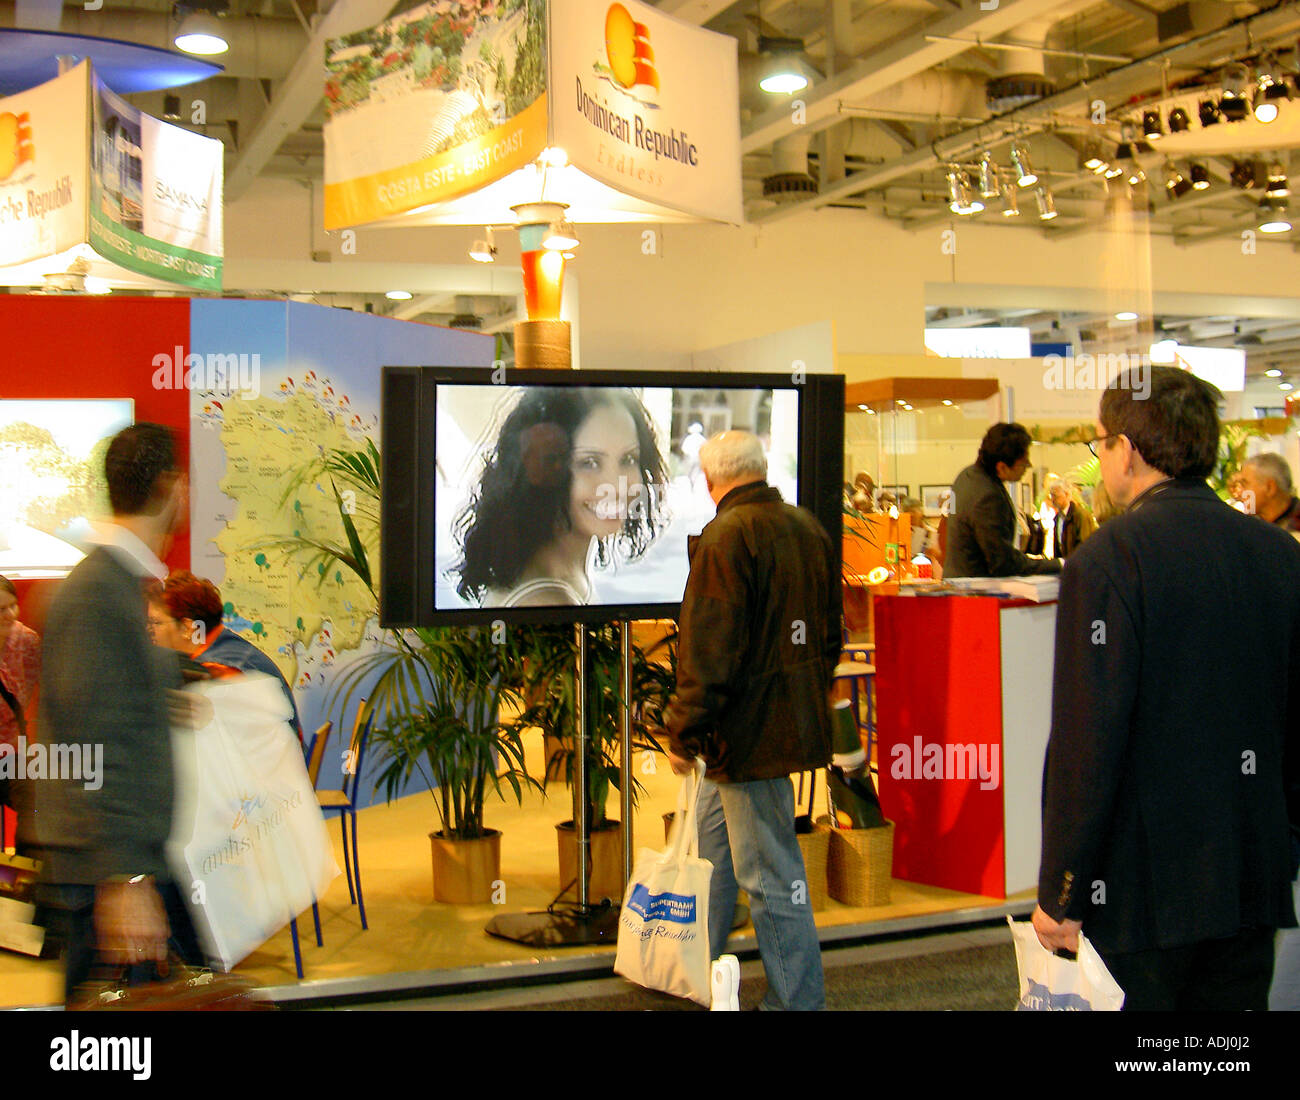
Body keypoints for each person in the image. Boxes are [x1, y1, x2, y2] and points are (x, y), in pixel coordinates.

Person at [1033, 366, 1300, 1011]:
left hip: (1143, 885)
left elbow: (1087, 735)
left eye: (1101, 444)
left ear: (1127, 449)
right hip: (1249, 869)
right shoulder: (1279, 554)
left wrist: (1063, 889)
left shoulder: (1107, 560)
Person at [660, 430, 840, 1011]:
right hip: (775, 727)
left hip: (745, 736)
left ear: (711, 480)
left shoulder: (726, 536)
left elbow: (709, 649)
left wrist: (683, 729)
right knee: (711, 862)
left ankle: (797, 1003)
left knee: (769, 879)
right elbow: (830, 635)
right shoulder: (807, 528)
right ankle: (700, 974)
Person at [31, 423, 206, 1001]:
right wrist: (126, 880)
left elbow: (111, 701)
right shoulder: (99, 593)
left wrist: (169, 690)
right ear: (170, 486)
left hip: (122, 863)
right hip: (104, 875)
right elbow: (89, 740)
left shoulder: (129, 587)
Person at [453, 388, 668, 607]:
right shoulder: (544, 601)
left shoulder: (563, 572)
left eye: (629, 459)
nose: (616, 486)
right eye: (590, 463)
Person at [149, 570, 303, 741]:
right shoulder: (230, 647)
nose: (149, 632)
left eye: (156, 623)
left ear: (187, 628)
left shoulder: (219, 672)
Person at [945, 423, 1062, 579]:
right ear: (1002, 467)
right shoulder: (988, 496)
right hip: (976, 590)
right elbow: (1002, 562)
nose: (1028, 466)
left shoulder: (965, 477)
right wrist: (1057, 565)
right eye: (1023, 463)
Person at [0, 575, 41, 822]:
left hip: (15, 752)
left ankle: (32, 858)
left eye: (12, 606)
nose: (10, 614)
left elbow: (43, 693)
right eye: (0, 609)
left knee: (35, 806)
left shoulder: (27, 641)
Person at [1238, 452, 1300, 534]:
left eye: (1244, 485)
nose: (1240, 493)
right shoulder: (1251, 526)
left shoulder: (1296, 526)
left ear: (1270, 488)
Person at [1045, 477, 1097, 560]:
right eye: (1051, 496)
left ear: (1067, 495)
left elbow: (1084, 545)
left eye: (1056, 496)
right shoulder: (1057, 518)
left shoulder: (1081, 516)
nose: (1053, 500)